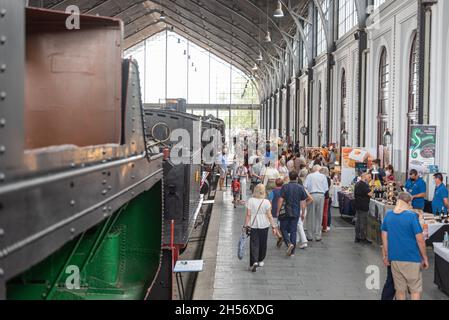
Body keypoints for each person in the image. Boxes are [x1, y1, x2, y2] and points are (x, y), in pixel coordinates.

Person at [381, 192, 429, 300]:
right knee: (415, 290)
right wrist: (424, 257)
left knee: (400, 290)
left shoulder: (389, 215)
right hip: (411, 258)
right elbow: (420, 240)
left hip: (395, 259)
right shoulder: (412, 217)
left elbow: (384, 237)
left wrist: (386, 254)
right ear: (409, 203)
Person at [244, 184, 278, 272]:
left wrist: (245, 225)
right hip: (264, 225)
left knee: (254, 244)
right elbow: (270, 216)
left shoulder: (250, 200)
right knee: (263, 243)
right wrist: (274, 226)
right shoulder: (266, 202)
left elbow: (248, 215)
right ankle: (260, 260)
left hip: (253, 225)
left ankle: (253, 262)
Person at [276, 172, 310, 256]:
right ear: (297, 178)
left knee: (283, 228)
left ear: (289, 178)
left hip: (285, 212)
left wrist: (277, 211)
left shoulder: (285, 187)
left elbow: (280, 200)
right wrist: (302, 213)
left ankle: (288, 243)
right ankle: (292, 252)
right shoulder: (300, 187)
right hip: (296, 212)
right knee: (293, 231)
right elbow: (303, 202)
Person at [304, 165, 329, 242]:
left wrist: (308, 195)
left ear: (313, 169)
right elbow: (326, 188)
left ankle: (310, 235)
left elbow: (305, 187)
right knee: (319, 216)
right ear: (319, 169)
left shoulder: (309, 176)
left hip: (312, 195)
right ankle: (318, 235)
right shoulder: (323, 176)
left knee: (310, 216)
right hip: (321, 195)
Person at [353, 172, 373, 245]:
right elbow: (370, 194)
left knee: (358, 221)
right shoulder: (364, 185)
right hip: (363, 205)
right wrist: (372, 187)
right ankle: (362, 238)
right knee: (363, 222)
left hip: (358, 205)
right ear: (364, 177)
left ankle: (357, 237)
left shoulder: (357, 184)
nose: (370, 179)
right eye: (369, 177)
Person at [268, 178, 285, 248]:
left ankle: (279, 237)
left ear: (275, 183)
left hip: (274, 211)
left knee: (274, 225)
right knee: (281, 225)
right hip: (283, 210)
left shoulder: (272, 192)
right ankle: (280, 237)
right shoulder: (284, 191)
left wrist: (269, 210)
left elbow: (270, 202)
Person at [320, 167, 332, 233]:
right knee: (326, 212)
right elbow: (328, 188)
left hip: (323, 195)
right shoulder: (328, 179)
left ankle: (322, 226)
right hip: (327, 196)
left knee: (323, 212)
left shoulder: (322, 178)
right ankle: (325, 226)